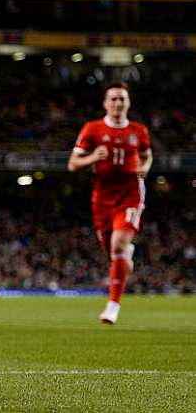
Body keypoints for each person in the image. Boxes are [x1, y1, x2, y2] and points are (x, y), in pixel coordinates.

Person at [68, 82, 152, 324]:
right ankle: (126, 255)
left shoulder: (139, 131)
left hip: (130, 194)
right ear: (105, 103)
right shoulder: (92, 129)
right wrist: (94, 156)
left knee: (118, 245)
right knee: (112, 252)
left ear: (128, 103)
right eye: (113, 99)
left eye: (122, 99)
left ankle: (112, 306)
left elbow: (147, 155)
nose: (118, 103)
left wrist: (144, 169)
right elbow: (73, 164)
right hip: (102, 198)